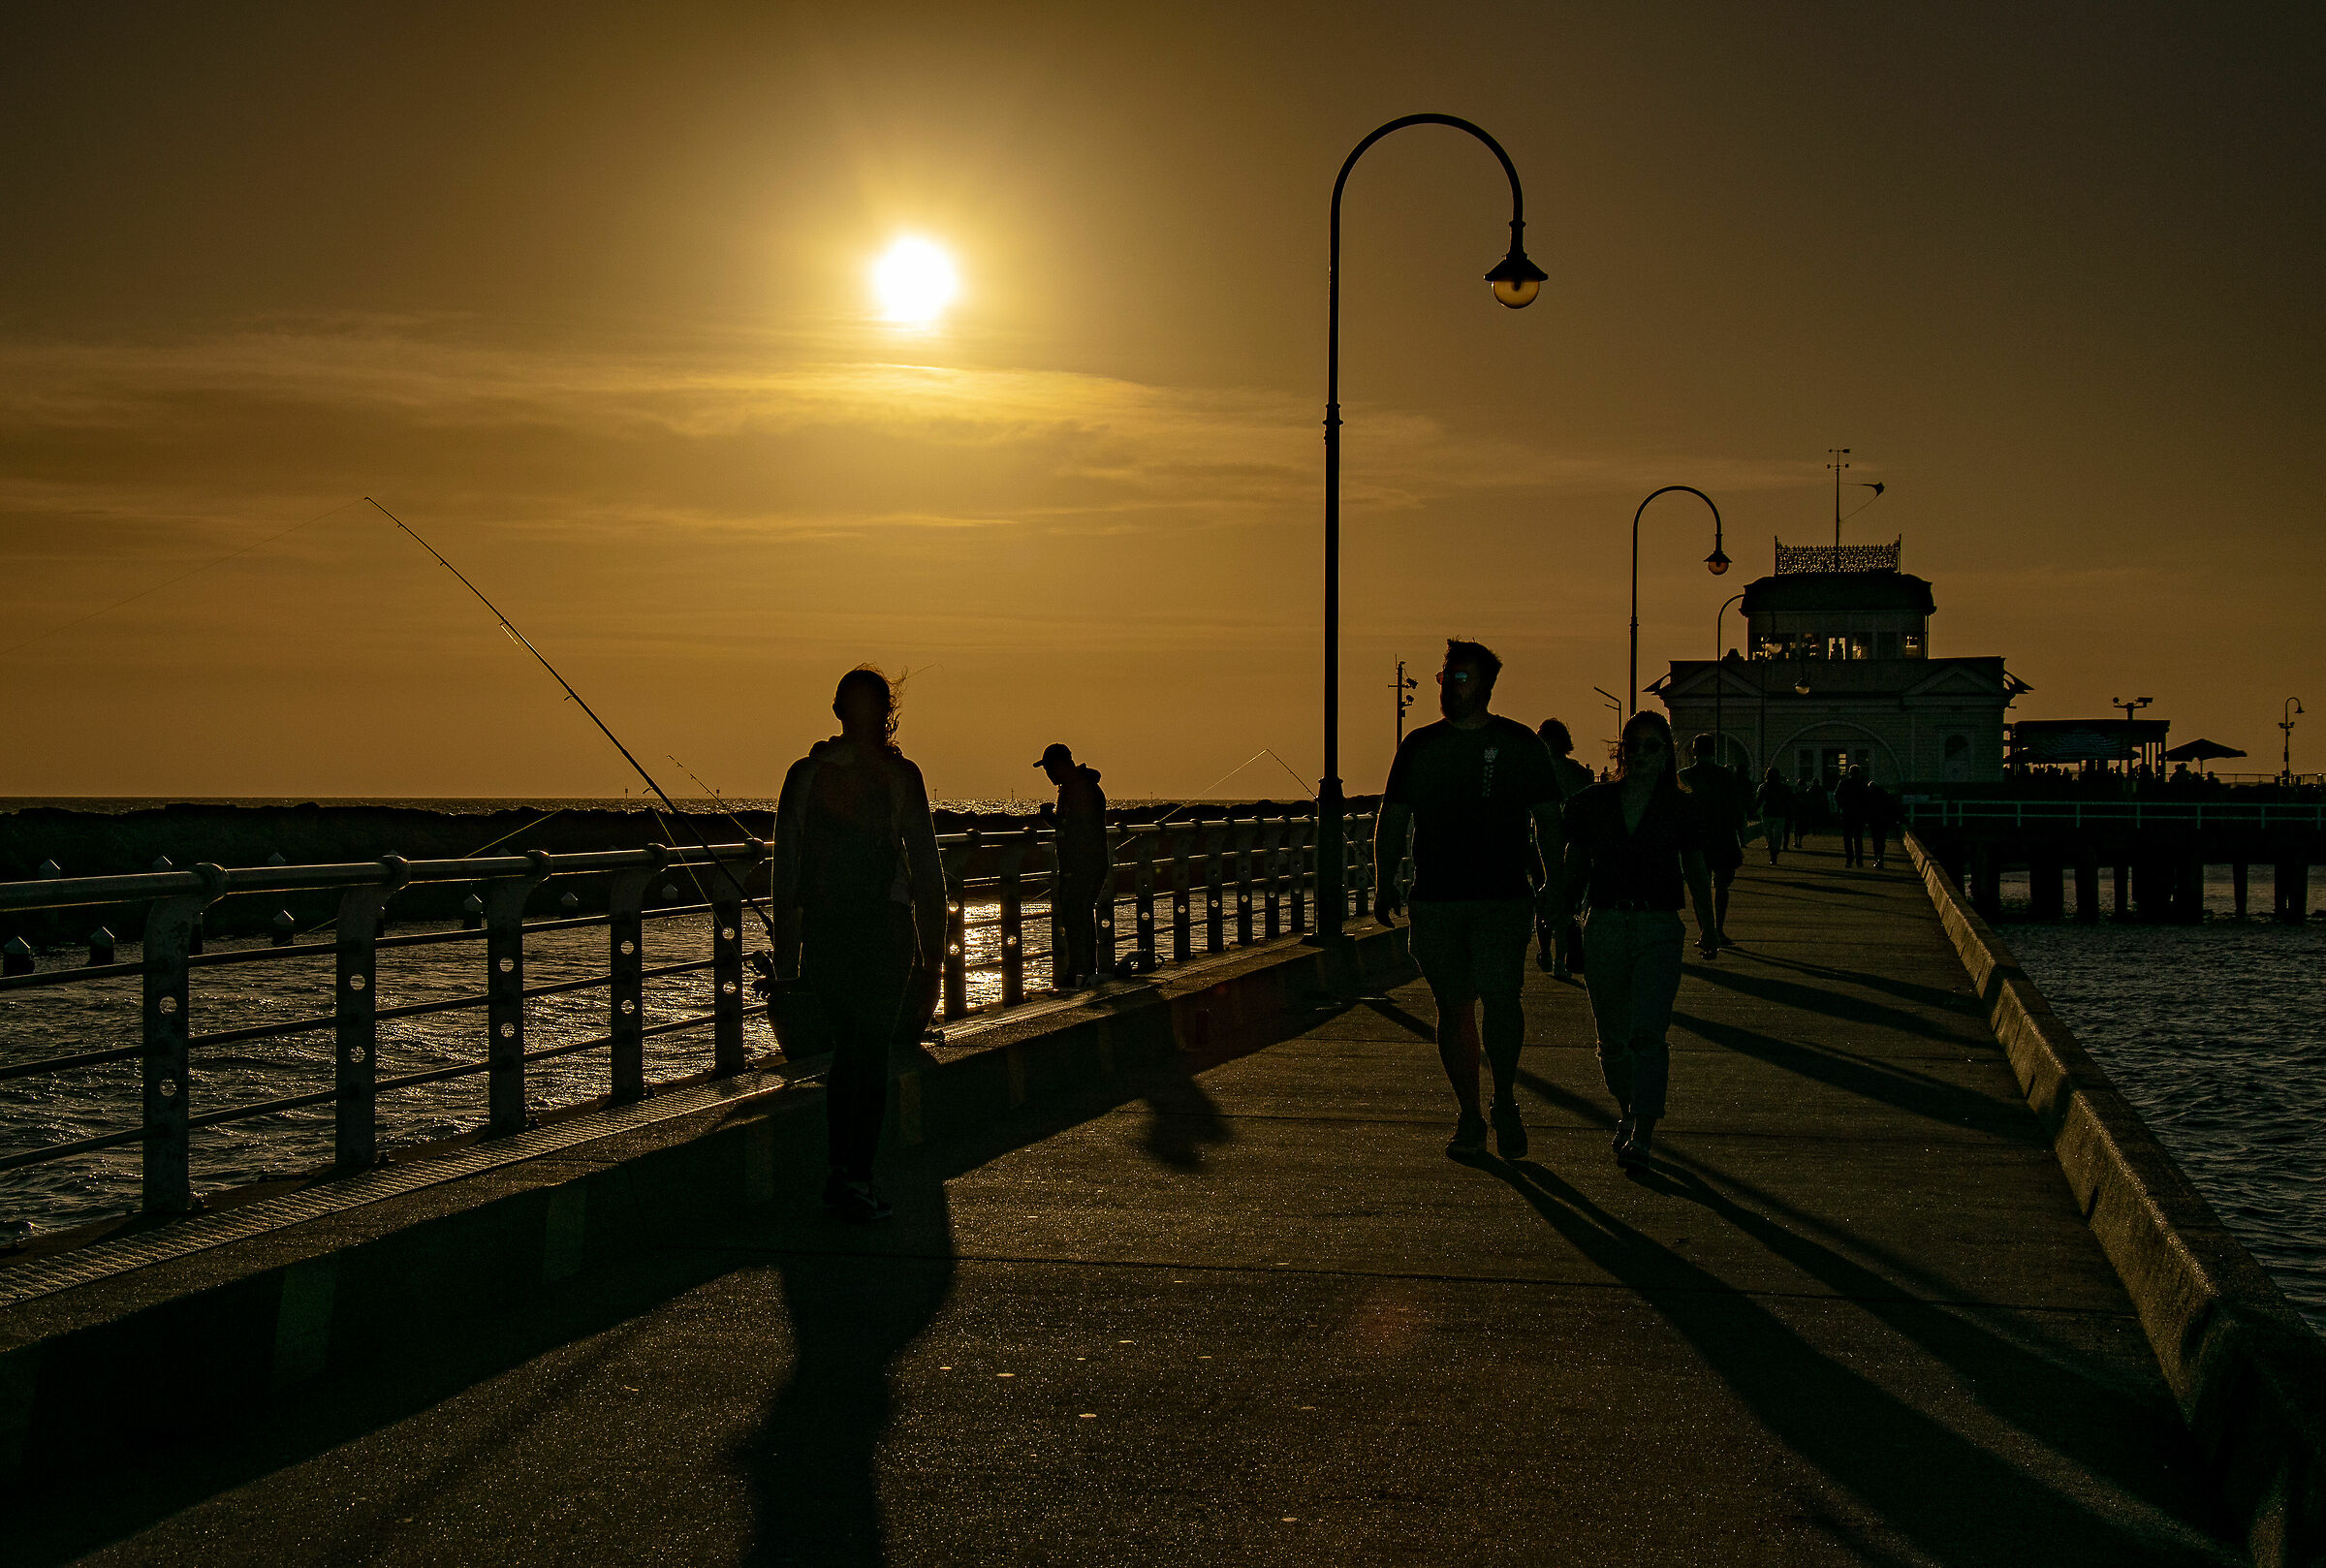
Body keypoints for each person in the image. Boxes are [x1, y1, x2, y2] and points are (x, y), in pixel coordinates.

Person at [1372, 640, 1561, 1161]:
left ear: (1486, 686)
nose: (1450, 686)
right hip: (1437, 898)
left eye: (1461, 678)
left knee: (1502, 998)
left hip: (1503, 897)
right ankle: (1471, 1115)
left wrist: (1557, 883)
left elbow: (1549, 819)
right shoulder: (1419, 746)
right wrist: (1384, 880)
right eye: (1446, 676)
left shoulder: (1520, 743)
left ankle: (1504, 1100)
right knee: (1453, 1006)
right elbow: (1393, 818)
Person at [770, 667, 946, 1223]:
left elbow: (786, 872)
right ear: (887, 713)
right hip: (883, 928)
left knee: (846, 1050)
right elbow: (924, 865)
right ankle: (856, 1176)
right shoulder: (901, 775)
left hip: (826, 929)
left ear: (837, 710)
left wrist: (787, 959)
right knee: (866, 1054)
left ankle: (840, 1171)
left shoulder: (803, 775)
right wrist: (933, 951)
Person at [1556, 710, 1719, 1169]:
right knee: (1612, 1040)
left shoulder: (1681, 807)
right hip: (1604, 924)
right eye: (1634, 745)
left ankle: (1644, 1130)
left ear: (1667, 753)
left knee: (1648, 1034)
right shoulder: (1593, 803)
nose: (1643, 754)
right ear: (1621, 750)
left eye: (1654, 746)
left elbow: (1695, 868)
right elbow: (1576, 863)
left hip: (1658, 928)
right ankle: (1628, 1110)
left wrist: (1708, 926)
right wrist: (1559, 910)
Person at [1035, 742, 1109, 987]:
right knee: (1079, 916)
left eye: (1049, 769)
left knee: (1078, 916)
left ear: (1061, 765)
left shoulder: (1081, 789)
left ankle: (1081, 971)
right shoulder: (1073, 788)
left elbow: (1079, 829)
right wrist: (1054, 820)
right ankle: (1083, 970)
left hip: (1083, 865)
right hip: (1081, 865)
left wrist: (1055, 822)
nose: (1048, 775)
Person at [1535, 718, 1597, 979]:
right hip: (1575, 848)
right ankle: (1560, 958)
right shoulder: (1581, 775)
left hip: (1543, 845)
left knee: (1544, 899)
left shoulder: (1538, 773)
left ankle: (1546, 952)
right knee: (1565, 906)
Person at [1677, 734, 1747, 946]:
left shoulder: (1684, 776)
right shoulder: (1726, 775)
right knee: (1722, 886)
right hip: (1723, 837)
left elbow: (1678, 811)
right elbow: (1735, 808)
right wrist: (1741, 837)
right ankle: (1719, 929)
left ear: (1694, 751)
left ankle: (1704, 931)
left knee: (1700, 888)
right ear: (1713, 751)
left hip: (1695, 840)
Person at [1754, 767, 1794, 865]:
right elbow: (1789, 801)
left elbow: (1759, 801)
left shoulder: (1764, 787)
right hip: (1780, 813)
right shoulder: (1784, 788)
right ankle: (1776, 848)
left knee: (1769, 835)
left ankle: (1772, 852)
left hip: (1767, 813)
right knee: (1778, 834)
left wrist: (1752, 810)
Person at [1835, 764, 1871, 867]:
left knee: (1847, 838)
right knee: (1858, 838)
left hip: (1847, 813)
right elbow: (1867, 800)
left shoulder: (1844, 783)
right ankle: (1859, 860)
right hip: (1859, 814)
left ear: (1849, 773)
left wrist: (1842, 805)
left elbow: (1836, 795)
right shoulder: (1863, 784)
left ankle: (1849, 859)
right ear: (1859, 773)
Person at [1865, 777, 1898, 870]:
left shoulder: (1869, 796)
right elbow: (1893, 808)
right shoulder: (1886, 794)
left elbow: (1866, 809)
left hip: (1874, 821)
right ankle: (1881, 857)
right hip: (1884, 821)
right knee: (1882, 840)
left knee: (1875, 840)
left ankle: (1877, 858)